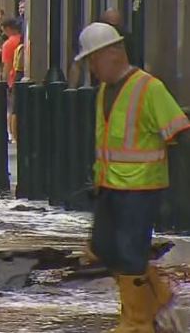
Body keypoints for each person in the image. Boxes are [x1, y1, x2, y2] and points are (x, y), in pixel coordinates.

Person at [76, 22, 190, 333]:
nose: (91, 67)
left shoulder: (149, 88)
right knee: (101, 247)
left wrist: (181, 190)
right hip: (110, 185)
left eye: (93, 59)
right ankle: (156, 294)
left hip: (141, 187)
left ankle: (137, 321)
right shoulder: (104, 91)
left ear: (113, 54)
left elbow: (180, 133)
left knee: (129, 252)